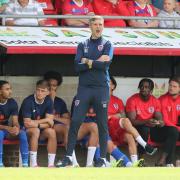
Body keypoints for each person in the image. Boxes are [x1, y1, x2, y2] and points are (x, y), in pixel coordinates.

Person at [57, 15, 113, 167]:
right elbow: (77, 66)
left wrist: (87, 61)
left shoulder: (108, 44)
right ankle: (68, 157)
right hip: (84, 88)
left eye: (101, 24)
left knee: (102, 124)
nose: (98, 27)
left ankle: (102, 159)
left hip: (101, 88)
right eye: (95, 24)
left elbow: (104, 66)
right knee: (75, 122)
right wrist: (95, 62)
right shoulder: (82, 44)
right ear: (90, 26)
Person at [108, 76, 157, 164]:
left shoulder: (117, 100)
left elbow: (122, 114)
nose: (106, 84)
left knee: (130, 136)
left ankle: (134, 164)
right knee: (126, 121)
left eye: (109, 83)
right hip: (105, 128)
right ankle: (145, 145)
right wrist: (115, 115)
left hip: (117, 128)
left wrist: (112, 116)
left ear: (113, 86)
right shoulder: (97, 99)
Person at [19, 80, 57, 167]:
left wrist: (37, 123)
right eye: (38, 90)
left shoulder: (48, 101)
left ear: (48, 92)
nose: (39, 93)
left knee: (51, 132)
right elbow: (27, 124)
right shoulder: (28, 101)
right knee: (35, 130)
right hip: (25, 131)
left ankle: (51, 165)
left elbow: (50, 123)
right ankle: (33, 164)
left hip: (39, 129)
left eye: (42, 91)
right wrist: (45, 120)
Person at [126, 78, 164, 156]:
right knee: (144, 129)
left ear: (151, 90)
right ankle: (141, 155)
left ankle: (168, 161)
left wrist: (159, 122)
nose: (143, 89)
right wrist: (146, 121)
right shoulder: (132, 100)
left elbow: (159, 117)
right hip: (136, 127)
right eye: (141, 87)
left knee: (171, 131)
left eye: (146, 87)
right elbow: (132, 121)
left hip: (150, 127)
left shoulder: (155, 101)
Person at [150, 76, 180, 167]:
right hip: (161, 130)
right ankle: (168, 161)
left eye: (174, 86)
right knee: (173, 132)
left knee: (174, 133)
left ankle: (167, 161)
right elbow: (165, 120)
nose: (171, 88)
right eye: (170, 85)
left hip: (175, 131)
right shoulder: (162, 99)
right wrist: (178, 128)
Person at [0, 80, 29, 167]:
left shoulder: (12, 102)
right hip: (2, 130)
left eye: (10, 89)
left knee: (22, 133)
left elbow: (15, 121)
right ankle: (0, 163)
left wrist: (16, 128)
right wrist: (8, 128)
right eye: (7, 89)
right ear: (0, 91)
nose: (10, 91)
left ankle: (25, 164)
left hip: (5, 129)